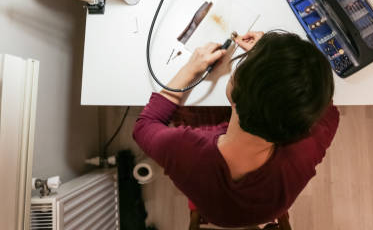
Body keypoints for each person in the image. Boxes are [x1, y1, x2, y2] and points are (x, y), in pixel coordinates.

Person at [133, 31, 339, 227]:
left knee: (191, 113)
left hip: (210, 205)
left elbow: (144, 126)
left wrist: (191, 68)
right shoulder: (306, 150)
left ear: (233, 86)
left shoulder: (185, 150)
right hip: (264, 210)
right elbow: (329, 109)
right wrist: (277, 68)